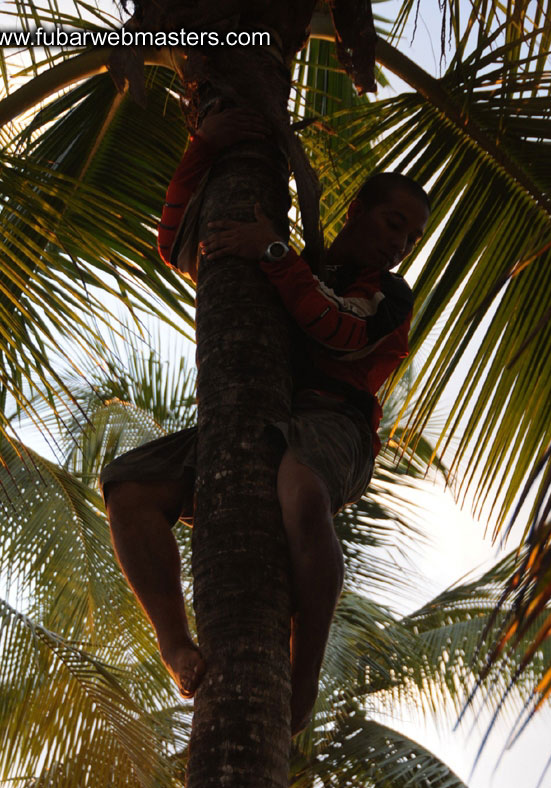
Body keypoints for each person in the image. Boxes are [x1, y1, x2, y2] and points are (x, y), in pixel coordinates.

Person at [101, 104, 430, 733]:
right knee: (128, 486)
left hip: (336, 424)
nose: (398, 244)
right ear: (359, 208)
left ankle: (301, 679)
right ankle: (176, 645)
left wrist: (275, 251)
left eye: (410, 238)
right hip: (257, 416)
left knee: (301, 491)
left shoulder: (387, 295)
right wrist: (205, 147)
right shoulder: (297, 261)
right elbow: (179, 241)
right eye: (394, 223)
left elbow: (341, 328)